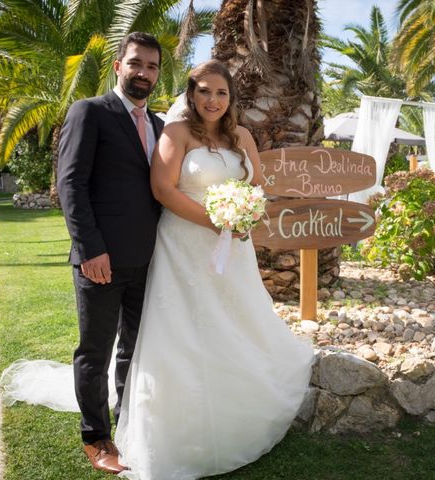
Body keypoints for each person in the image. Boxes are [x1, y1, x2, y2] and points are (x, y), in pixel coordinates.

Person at [114, 60, 314, 479]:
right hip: (184, 245)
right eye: (205, 91)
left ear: (231, 98)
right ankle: (178, 428)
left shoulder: (241, 136)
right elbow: (162, 188)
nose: (213, 100)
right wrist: (215, 219)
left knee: (234, 322)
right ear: (191, 93)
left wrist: (245, 213)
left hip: (232, 247)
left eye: (221, 93)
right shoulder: (177, 132)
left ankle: (237, 412)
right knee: (184, 330)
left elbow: (257, 183)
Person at [56, 32, 164, 474]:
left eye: (152, 66)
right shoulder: (89, 112)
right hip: (100, 260)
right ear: (118, 66)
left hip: (149, 260)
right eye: (136, 63)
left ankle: (125, 425)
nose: (144, 73)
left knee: (134, 350)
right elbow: (71, 184)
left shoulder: (158, 125)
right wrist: (89, 249)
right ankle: (96, 437)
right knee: (95, 350)